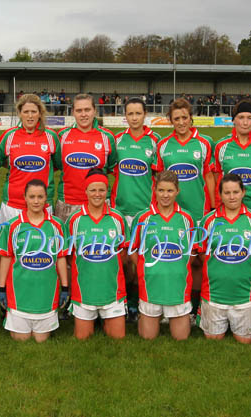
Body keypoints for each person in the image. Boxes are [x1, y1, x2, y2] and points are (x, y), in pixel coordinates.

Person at [154, 98, 214, 318]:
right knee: (172, 259)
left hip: (198, 212)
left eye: (184, 118)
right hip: (171, 215)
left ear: (191, 119)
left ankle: (194, 307)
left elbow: (208, 175)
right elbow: (158, 181)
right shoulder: (163, 146)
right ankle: (169, 302)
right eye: (176, 118)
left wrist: (212, 209)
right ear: (170, 120)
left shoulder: (204, 143)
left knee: (198, 261)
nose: (181, 122)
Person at [0, 179, 69, 342]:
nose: (36, 201)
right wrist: (1, 288)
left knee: (40, 340)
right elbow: (6, 258)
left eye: (40, 197)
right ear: (25, 198)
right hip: (19, 293)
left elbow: (61, 258)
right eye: (32, 196)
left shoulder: (56, 226)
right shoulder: (13, 226)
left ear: (46, 198)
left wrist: (65, 287)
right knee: (21, 339)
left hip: (46, 293)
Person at [196, 174, 251, 344]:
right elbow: (202, 252)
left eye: (236, 192)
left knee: (244, 341)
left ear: (243, 192)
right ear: (219, 194)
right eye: (227, 193)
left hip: (245, 294)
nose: (232, 197)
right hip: (214, 293)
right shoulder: (208, 221)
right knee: (213, 339)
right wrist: (219, 265)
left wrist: (247, 264)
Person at [130, 170, 196, 341]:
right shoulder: (142, 218)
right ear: (154, 190)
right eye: (161, 190)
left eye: (169, 191)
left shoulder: (187, 219)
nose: (165, 195)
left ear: (177, 191)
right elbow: (133, 251)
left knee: (181, 338)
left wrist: (178, 269)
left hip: (177, 287)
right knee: (148, 337)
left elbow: (192, 253)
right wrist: (146, 269)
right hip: (151, 286)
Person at [111, 97, 160, 321]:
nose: (134, 118)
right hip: (120, 209)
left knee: (144, 260)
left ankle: (142, 302)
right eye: (130, 114)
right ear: (125, 116)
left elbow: (159, 177)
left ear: (145, 114)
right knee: (122, 260)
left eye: (138, 114)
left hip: (145, 211)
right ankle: (125, 302)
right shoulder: (117, 141)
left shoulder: (155, 141)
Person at [65, 168, 127, 340]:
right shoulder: (74, 220)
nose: (97, 194)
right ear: (85, 191)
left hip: (112, 291)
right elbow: (70, 255)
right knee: (82, 338)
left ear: (107, 191)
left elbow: (123, 254)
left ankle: (107, 316)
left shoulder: (118, 219)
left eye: (102, 190)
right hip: (84, 291)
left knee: (118, 339)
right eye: (93, 190)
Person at [0, 94, 59, 223]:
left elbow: (58, 165)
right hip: (12, 205)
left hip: (43, 204)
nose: (30, 116)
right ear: (19, 113)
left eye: (34, 112)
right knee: (8, 242)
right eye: (26, 112)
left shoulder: (51, 136)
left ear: (40, 113)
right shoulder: (9, 136)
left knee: (42, 242)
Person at [55, 94, 118, 222]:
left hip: (99, 203)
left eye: (87, 110)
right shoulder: (62, 136)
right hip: (68, 203)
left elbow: (111, 167)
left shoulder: (107, 137)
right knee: (66, 242)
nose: (83, 114)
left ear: (94, 110)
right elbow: (58, 165)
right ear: (73, 112)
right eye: (79, 110)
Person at [212, 99, 251, 218]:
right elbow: (218, 176)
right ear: (233, 119)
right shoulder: (221, 146)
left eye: (250, 118)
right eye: (241, 117)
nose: (245, 123)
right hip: (228, 209)